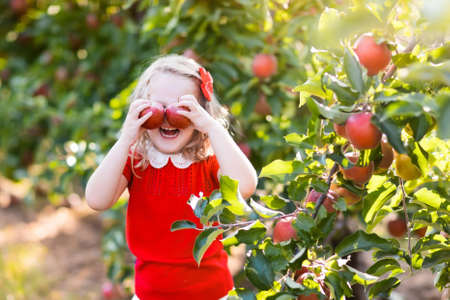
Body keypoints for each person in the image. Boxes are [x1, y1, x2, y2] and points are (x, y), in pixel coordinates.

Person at [85, 54, 258, 300]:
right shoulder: (137, 159)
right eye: (158, 107)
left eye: (183, 107)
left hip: (211, 293)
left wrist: (211, 128)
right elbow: (96, 199)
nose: (168, 117)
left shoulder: (207, 160)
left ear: (201, 113)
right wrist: (126, 138)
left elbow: (247, 185)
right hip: (150, 294)